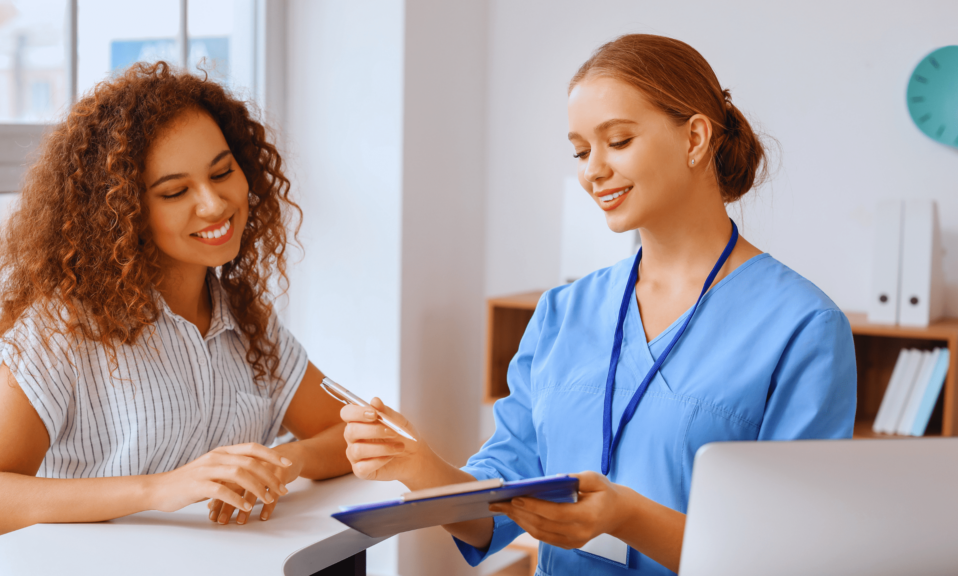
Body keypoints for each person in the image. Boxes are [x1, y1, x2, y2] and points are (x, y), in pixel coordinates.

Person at [340, 34, 857, 575]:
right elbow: (495, 517)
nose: (593, 170)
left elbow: (788, 556)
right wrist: (419, 467)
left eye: (618, 141)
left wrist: (624, 516)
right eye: (582, 151)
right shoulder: (562, 312)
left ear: (696, 137)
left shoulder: (804, 327)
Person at [0, 62, 351, 538]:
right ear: (125, 212)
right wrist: (161, 489)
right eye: (176, 191)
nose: (213, 203)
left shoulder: (244, 320)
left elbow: (351, 434)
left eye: (222, 172)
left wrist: (284, 460)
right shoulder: (62, 328)